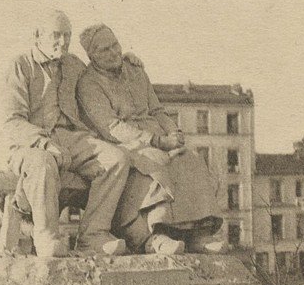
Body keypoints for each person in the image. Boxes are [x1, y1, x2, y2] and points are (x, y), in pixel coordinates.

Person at [76, 24, 224, 254]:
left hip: (157, 136)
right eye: (105, 50)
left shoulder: (135, 71)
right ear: (91, 55)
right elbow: (110, 126)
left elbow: (156, 109)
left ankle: (198, 234)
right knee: (155, 163)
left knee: (189, 160)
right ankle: (156, 236)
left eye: (115, 45)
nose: (114, 52)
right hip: (124, 143)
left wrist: (173, 132)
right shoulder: (89, 84)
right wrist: (155, 141)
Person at [4, 10, 132, 257]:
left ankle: (93, 235)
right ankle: (46, 237)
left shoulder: (74, 64)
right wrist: (44, 143)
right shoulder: (21, 66)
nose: (63, 42)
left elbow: (104, 70)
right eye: (56, 35)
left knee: (117, 158)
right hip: (29, 145)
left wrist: (125, 60)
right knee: (42, 163)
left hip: (72, 139)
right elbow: (13, 122)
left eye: (67, 36)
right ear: (38, 35)